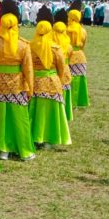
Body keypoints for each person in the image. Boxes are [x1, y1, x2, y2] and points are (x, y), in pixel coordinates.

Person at [0, 0, 35, 161]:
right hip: (17, 85)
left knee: (0, 117)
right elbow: (28, 69)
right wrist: (30, 88)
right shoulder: (23, 45)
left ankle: (1, 148)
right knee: (19, 118)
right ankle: (23, 149)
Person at [29, 17, 71, 148]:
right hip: (52, 82)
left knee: (35, 111)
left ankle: (34, 137)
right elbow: (61, 66)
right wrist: (56, 77)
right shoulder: (55, 48)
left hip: (35, 81)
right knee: (51, 111)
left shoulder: (30, 46)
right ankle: (49, 139)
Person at [67, 0, 90, 108]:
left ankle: (69, 102)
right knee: (79, 79)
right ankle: (80, 101)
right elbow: (84, 44)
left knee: (68, 79)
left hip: (68, 56)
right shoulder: (83, 30)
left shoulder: (65, 29)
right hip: (80, 56)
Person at [52, 11, 74, 122]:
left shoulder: (51, 47)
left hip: (54, 72)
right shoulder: (69, 47)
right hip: (65, 70)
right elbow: (69, 57)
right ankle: (66, 112)